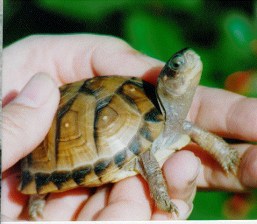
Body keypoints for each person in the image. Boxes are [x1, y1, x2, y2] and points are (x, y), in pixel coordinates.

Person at [2, 34, 257, 221]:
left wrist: (225, 152)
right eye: (177, 65)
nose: (189, 62)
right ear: (165, 80)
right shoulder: (151, 128)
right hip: (50, 150)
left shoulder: (175, 122)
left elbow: (196, 132)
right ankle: (38, 193)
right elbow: (148, 161)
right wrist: (160, 195)